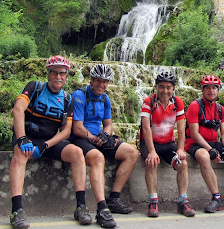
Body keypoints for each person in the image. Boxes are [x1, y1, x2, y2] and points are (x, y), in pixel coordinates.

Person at [8, 55, 92, 229]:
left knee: (77, 153)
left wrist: (46, 145)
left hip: (49, 141)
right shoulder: (34, 88)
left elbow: (67, 131)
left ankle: (81, 207)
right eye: (54, 73)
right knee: (20, 154)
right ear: (48, 73)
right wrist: (22, 138)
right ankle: (17, 211)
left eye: (62, 73)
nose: (58, 77)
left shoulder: (67, 99)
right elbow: (18, 110)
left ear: (67, 75)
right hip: (27, 136)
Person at [71, 64, 140, 228]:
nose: (102, 85)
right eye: (99, 81)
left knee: (132, 153)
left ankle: (114, 199)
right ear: (91, 80)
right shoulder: (79, 96)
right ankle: (102, 208)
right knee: (98, 157)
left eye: (105, 82)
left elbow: (108, 124)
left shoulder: (105, 98)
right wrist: (95, 138)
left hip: (98, 138)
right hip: (81, 138)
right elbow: (77, 128)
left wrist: (106, 134)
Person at [185, 75, 224, 213]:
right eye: (207, 88)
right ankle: (217, 198)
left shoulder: (220, 109)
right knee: (203, 156)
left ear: (218, 90)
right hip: (195, 143)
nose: (211, 90)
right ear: (202, 90)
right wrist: (210, 150)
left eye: (214, 87)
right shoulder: (194, 106)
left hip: (214, 142)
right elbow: (194, 133)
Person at [140, 70, 196, 218]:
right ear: (157, 87)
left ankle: (182, 200)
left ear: (173, 89)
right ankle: (153, 201)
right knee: (151, 162)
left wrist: (180, 149)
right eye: (162, 87)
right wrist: (151, 151)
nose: (165, 91)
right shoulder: (148, 102)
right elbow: (146, 128)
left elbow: (181, 128)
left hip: (168, 143)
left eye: (168, 87)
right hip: (150, 142)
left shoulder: (177, 103)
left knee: (182, 163)